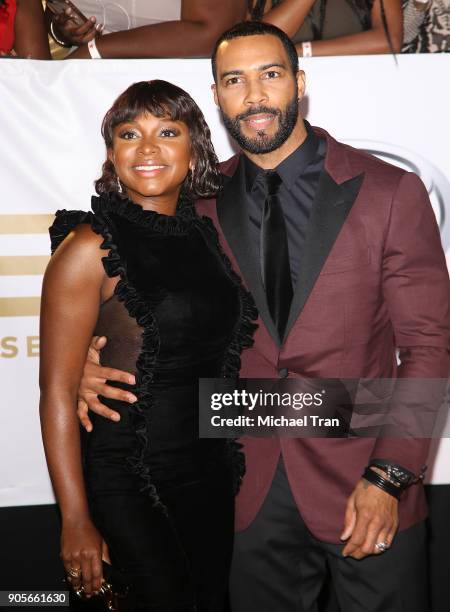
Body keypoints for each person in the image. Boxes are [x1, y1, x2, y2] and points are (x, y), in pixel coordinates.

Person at [76, 21, 449, 612]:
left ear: (300, 83)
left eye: (269, 75)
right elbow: (148, 315)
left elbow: (428, 347)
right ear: (218, 95)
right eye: (234, 80)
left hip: (366, 480)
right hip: (242, 489)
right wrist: (89, 366)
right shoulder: (193, 205)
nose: (254, 96)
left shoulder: (389, 193)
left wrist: (390, 476)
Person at [39, 79, 257, 611]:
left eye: (168, 131)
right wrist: (74, 520)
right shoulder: (89, 245)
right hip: (127, 478)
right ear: (112, 153)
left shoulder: (207, 237)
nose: (148, 149)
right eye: (129, 134)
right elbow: (57, 393)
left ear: (194, 147)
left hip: (207, 474)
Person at [45, 0, 246, 59]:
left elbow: (212, 32)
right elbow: (47, 9)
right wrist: (62, 32)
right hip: (89, 77)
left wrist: (96, 50)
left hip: (177, 78)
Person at [247, 0, 403, 55]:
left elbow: (389, 41)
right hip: (286, 92)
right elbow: (260, 41)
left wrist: (302, 51)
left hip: (357, 83)